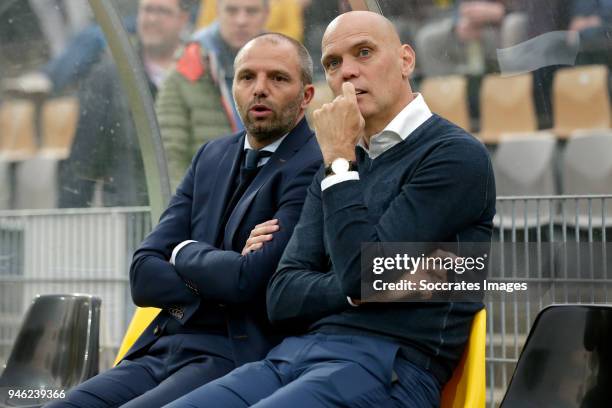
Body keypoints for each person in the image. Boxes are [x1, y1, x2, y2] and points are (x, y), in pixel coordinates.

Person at [165, 10, 495, 408]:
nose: (348, 73)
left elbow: (362, 274)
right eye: (333, 63)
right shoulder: (340, 163)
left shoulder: (453, 155)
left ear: (406, 60)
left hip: (391, 365)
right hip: (296, 355)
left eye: (365, 52)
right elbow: (282, 295)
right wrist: (360, 290)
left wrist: (339, 163)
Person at [46, 32, 320, 407]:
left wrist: (183, 251)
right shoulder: (212, 155)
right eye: (247, 77)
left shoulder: (314, 164)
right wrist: (221, 274)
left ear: (306, 96)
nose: (259, 89)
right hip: (163, 344)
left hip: (231, 353)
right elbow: (142, 275)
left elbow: (248, 281)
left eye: (278, 78)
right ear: (233, 85)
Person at [58, 0, 191, 207]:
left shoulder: (201, 74)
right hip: (132, 215)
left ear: (183, 19)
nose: (152, 19)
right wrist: (66, 224)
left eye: (163, 11)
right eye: (147, 10)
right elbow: (82, 162)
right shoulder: (109, 78)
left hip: (190, 214)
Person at [156, 0, 269, 189]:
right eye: (232, 10)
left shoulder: (288, 69)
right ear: (218, 12)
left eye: (251, 11)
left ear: (266, 14)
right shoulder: (186, 70)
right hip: (208, 202)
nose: (241, 20)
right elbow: (169, 156)